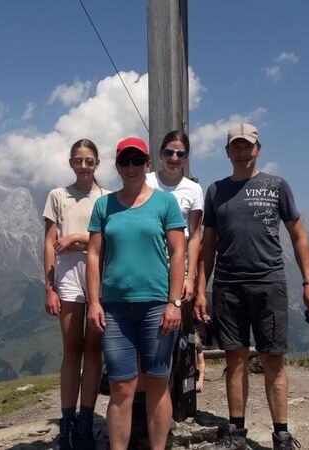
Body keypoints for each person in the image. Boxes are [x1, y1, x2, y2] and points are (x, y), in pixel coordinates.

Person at [195, 124, 309, 450]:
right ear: (227, 153)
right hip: (228, 286)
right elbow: (207, 245)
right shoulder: (215, 191)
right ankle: (236, 434)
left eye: (247, 146)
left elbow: (299, 235)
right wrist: (200, 290)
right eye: (235, 147)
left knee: (272, 361)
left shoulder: (277, 186)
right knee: (234, 361)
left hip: (270, 284)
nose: (241, 152)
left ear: (258, 149)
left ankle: (281, 435)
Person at [86, 137, 186, 450]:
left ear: (148, 164)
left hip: (158, 306)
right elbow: (93, 255)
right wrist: (93, 302)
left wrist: (175, 302)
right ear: (116, 165)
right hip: (115, 309)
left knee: (157, 383)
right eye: (124, 161)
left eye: (137, 161)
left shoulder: (165, 203)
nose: (131, 167)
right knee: (121, 387)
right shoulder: (104, 205)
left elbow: (178, 252)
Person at [43, 139, 109, 450]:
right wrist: (50, 286)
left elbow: (109, 237)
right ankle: (67, 421)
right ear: (71, 162)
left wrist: (77, 237)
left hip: (98, 268)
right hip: (68, 270)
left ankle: (86, 420)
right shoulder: (58, 195)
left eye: (89, 161)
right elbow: (48, 240)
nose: (84, 166)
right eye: (78, 160)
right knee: (72, 348)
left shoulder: (107, 198)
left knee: (94, 348)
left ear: (98, 163)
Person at [145, 130, 204, 301]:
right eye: (169, 152)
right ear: (160, 154)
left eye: (180, 154)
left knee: (172, 319)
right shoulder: (146, 181)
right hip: (148, 261)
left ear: (186, 158)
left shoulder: (194, 189)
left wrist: (189, 277)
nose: (174, 158)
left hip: (178, 264)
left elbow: (194, 235)